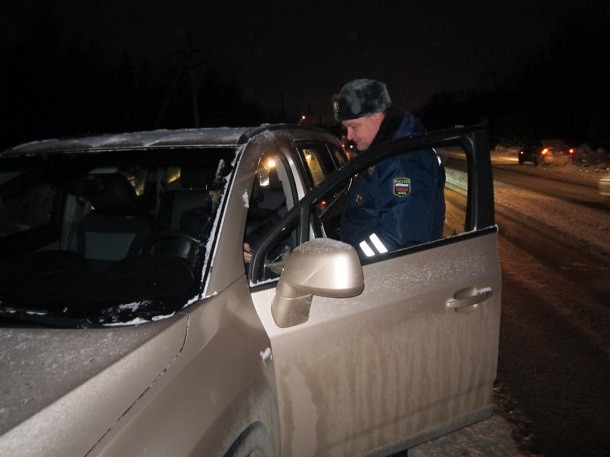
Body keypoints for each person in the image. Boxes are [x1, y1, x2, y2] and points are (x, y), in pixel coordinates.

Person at [331, 78, 445, 258]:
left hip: (384, 273)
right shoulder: (383, 150)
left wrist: (349, 260)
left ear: (376, 115)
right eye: (346, 128)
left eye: (353, 126)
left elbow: (400, 241)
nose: (349, 136)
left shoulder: (403, 161)